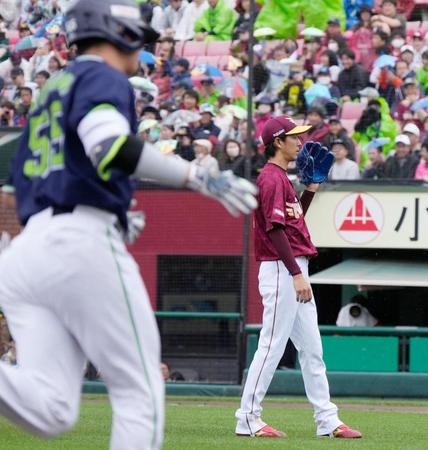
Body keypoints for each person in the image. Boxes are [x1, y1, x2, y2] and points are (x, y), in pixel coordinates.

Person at [0, 2, 257, 449]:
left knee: (51, 410)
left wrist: (106, 208)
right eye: (137, 36)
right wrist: (195, 175)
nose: (143, 49)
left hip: (28, 252)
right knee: (140, 385)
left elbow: (27, 182)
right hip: (77, 242)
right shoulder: (100, 75)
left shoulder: (49, 90)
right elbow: (108, 145)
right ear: (117, 31)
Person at [235, 115, 362, 439]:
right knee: (272, 345)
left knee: (312, 349)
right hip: (282, 269)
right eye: (294, 137)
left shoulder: (281, 178)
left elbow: (292, 222)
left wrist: (311, 189)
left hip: (291, 268)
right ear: (278, 142)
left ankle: (327, 420)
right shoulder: (271, 179)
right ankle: (248, 417)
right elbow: (275, 230)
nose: (300, 141)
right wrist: (295, 273)